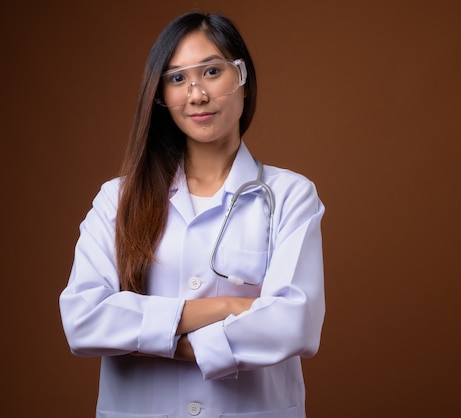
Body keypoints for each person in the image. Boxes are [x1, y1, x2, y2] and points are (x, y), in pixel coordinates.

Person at [59, 11, 325, 418]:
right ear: (161, 95)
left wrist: (153, 337)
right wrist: (228, 308)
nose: (196, 94)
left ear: (243, 81)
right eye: (177, 78)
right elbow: (83, 320)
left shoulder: (291, 195)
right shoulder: (117, 199)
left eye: (212, 71)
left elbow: (294, 324)